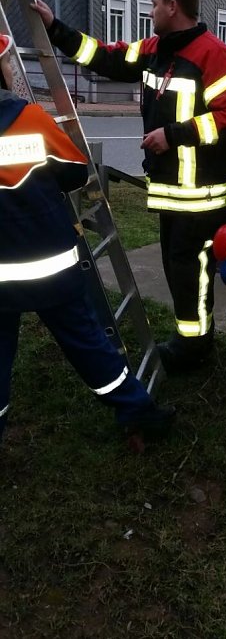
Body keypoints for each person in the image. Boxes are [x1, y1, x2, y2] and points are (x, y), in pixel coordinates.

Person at [32, 0, 226, 374]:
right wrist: (54, 27)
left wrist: (173, 135)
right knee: (179, 269)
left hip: (202, 196)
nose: (149, 12)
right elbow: (106, 58)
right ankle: (196, 336)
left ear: (173, 7)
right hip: (174, 193)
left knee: (190, 271)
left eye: (152, 5)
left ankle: (194, 346)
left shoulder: (215, 56)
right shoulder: (155, 50)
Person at [0, 34, 175, 445]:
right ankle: (137, 411)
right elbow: (76, 173)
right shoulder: (28, 119)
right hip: (49, 268)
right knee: (88, 344)